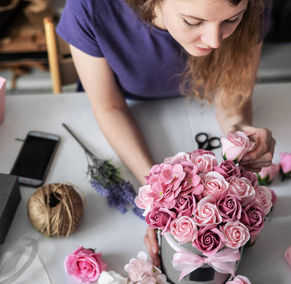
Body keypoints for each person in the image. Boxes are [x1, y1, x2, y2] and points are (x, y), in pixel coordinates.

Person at [57, 0, 276, 266]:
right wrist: (159, 197)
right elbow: (109, 107)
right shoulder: (91, 7)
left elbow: (232, 94)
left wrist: (239, 128)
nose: (215, 41)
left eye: (232, 20)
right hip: (121, 109)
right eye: (193, 22)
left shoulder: (255, 4)